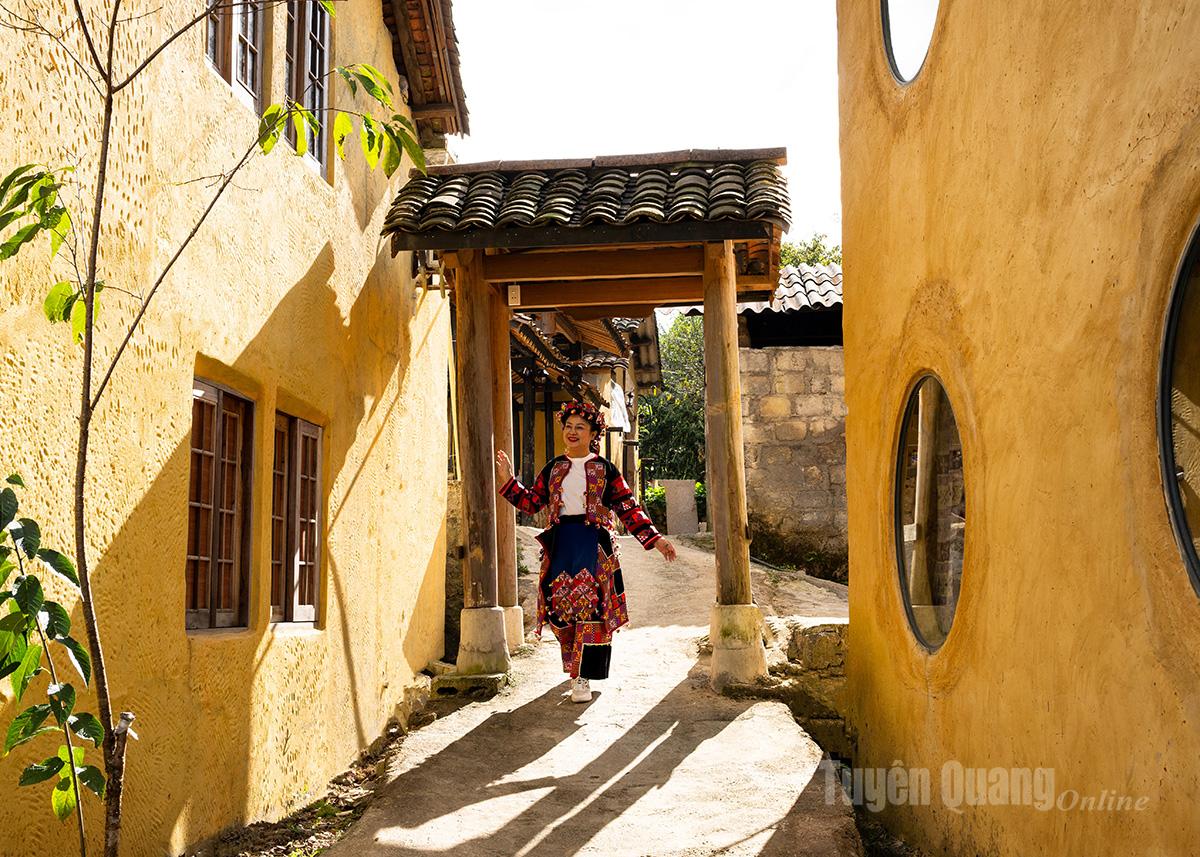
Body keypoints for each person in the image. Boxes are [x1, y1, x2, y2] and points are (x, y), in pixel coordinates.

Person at [495, 399, 676, 702]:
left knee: (592, 609)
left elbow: (628, 508)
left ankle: (583, 677)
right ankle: (573, 666)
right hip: (561, 543)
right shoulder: (553, 468)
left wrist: (655, 539)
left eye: (580, 427)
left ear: (593, 433)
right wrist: (508, 482)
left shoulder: (605, 469)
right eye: (568, 426)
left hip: (594, 546)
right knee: (560, 607)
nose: (572, 431)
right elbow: (531, 503)